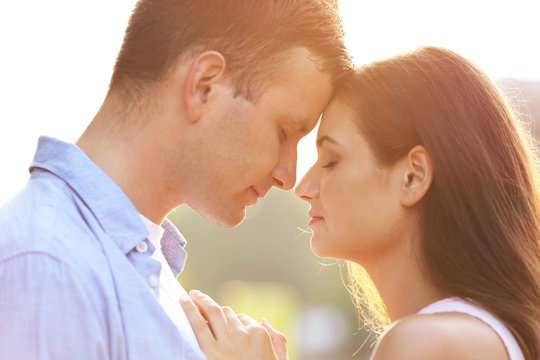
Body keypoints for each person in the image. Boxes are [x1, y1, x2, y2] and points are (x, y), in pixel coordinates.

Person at [0, 0, 351, 359]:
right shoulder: (48, 268)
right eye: (284, 132)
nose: (288, 177)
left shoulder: (138, 268)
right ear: (204, 86)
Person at [181, 46, 540, 360]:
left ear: (412, 177)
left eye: (331, 160)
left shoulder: (426, 345)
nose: (301, 186)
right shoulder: (483, 334)